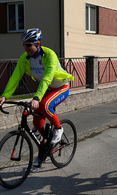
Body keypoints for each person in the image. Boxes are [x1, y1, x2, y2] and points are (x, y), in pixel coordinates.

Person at [0, 28, 74, 167]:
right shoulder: (25, 58)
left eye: (28, 45)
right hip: (46, 89)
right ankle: (42, 153)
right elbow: (15, 77)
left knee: (45, 104)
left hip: (60, 87)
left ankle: (58, 129)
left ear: (38, 44)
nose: (25, 47)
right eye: (24, 44)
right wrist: (4, 96)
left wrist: (36, 97)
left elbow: (47, 78)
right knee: (36, 124)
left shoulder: (49, 55)